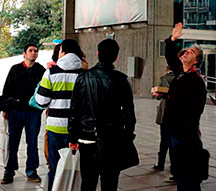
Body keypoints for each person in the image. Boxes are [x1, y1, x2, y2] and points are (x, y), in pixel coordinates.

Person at [68, 38, 136, 191]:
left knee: (88, 182)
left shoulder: (83, 77)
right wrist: (128, 136)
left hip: (87, 138)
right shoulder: (121, 80)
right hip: (112, 139)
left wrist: (72, 136)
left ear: (97, 53)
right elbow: (129, 113)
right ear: (116, 57)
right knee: (110, 181)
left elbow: (74, 110)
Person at [159, 22, 207, 191]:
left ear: (196, 61)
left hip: (184, 135)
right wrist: (173, 38)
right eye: (187, 50)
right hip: (173, 131)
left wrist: (187, 137)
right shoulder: (181, 74)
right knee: (180, 174)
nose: (186, 52)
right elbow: (171, 56)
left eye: (191, 52)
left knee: (188, 177)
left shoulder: (196, 81)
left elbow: (194, 111)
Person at [35, 39, 84, 191]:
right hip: (77, 130)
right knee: (75, 169)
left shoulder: (51, 72)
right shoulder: (84, 74)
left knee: (55, 168)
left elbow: (41, 101)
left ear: (63, 52)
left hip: (55, 128)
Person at [1, 44, 45, 184]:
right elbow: (7, 89)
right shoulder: (15, 69)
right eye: (30, 51)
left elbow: (45, 90)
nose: (33, 53)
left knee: (32, 143)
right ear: (24, 54)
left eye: (35, 51)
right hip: (16, 111)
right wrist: (5, 109)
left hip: (33, 112)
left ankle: (32, 170)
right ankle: (9, 171)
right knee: (13, 142)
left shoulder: (40, 70)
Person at [152, 66, 175, 172]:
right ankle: (174, 166)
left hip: (166, 112)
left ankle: (161, 163)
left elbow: (163, 93)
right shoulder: (181, 77)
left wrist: (158, 94)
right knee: (174, 141)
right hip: (177, 113)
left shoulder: (165, 78)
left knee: (164, 140)